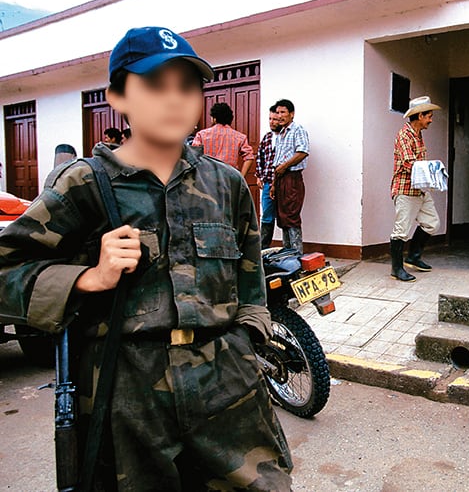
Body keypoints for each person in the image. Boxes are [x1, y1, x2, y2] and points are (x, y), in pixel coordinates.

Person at [0, 26, 292, 490]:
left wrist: (246, 343)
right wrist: (89, 278)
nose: (174, 100)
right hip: (127, 394)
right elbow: (6, 271)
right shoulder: (84, 184)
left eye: (187, 86)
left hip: (227, 386)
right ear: (119, 97)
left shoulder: (226, 184)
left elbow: (249, 278)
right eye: (155, 85)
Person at [390, 96, 442, 282]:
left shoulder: (418, 134)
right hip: (405, 189)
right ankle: (397, 269)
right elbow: (408, 163)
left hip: (419, 189)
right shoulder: (405, 135)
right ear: (420, 116)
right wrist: (432, 171)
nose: (431, 120)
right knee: (401, 230)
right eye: (429, 116)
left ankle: (413, 257)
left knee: (432, 223)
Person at [270, 98, 309, 253]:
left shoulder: (297, 129)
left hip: (292, 178)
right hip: (280, 178)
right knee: (282, 217)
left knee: (291, 217)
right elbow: (277, 162)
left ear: (291, 114)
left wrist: (285, 166)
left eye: (283, 112)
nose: (279, 116)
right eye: (277, 112)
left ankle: (297, 255)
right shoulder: (281, 133)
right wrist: (274, 184)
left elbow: (303, 151)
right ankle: (287, 255)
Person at [192, 102, 255, 178]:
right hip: (229, 178)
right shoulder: (240, 137)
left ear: (214, 119)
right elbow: (249, 157)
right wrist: (241, 177)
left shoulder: (202, 135)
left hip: (207, 178)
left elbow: (193, 155)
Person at [256, 106, 281, 248]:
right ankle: (263, 248)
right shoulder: (267, 137)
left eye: (275, 119)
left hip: (281, 182)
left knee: (284, 216)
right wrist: (259, 176)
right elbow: (260, 157)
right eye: (270, 119)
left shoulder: (286, 137)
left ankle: (289, 249)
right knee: (266, 215)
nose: (272, 122)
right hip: (267, 183)